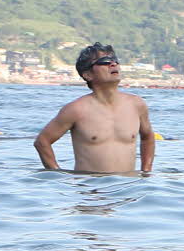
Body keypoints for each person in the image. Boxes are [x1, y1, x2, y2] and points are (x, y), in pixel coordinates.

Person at [33, 43, 156, 173]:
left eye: (115, 60)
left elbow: (148, 137)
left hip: (128, 184)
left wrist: (146, 172)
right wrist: (58, 174)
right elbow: (42, 142)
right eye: (105, 61)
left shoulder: (136, 105)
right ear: (88, 74)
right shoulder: (76, 110)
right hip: (90, 184)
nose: (113, 64)